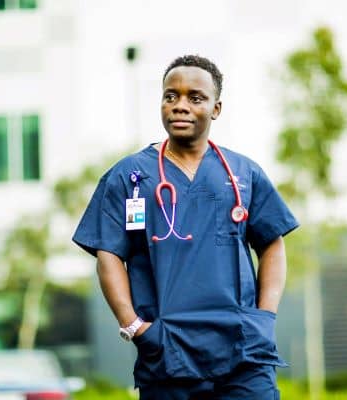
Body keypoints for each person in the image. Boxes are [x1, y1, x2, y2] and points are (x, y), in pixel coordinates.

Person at [72, 54, 298, 399]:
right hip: (166, 352)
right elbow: (108, 254)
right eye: (170, 96)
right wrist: (134, 327)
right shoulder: (129, 177)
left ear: (216, 109)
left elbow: (272, 243)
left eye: (195, 98)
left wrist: (265, 317)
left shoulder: (243, 173)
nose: (180, 106)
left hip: (244, 350)